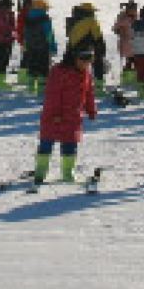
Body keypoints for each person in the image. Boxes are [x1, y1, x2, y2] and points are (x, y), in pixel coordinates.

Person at [34, 43, 97, 185]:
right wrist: (55, 113)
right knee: (46, 142)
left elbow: (89, 93)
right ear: (74, 58)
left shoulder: (86, 74)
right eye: (83, 60)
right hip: (53, 115)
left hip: (73, 115)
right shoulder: (59, 71)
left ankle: (68, 172)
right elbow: (53, 94)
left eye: (89, 61)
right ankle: (41, 171)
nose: (86, 64)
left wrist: (91, 110)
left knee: (70, 144)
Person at [19, 0, 57, 94]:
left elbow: (25, 33)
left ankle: (31, 89)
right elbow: (49, 34)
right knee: (43, 69)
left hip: (30, 47)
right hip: (43, 47)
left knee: (32, 68)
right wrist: (53, 47)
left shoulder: (28, 17)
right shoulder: (45, 19)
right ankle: (41, 90)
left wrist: (25, 46)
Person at [63, 3, 108, 82]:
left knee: (74, 69)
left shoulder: (72, 21)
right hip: (85, 49)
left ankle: (72, 85)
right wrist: (101, 50)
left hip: (72, 49)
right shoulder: (91, 21)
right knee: (97, 63)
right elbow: (98, 37)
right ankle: (99, 84)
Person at [111, 2, 138, 84]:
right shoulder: (122, 17)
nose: (134, 11)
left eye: (135, 9)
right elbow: (115, 28)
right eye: (133, 9)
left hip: (136, 43)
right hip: (126, 42)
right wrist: (119, 30)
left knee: (135, 61)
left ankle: (132, 77)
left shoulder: (136, 17)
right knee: (130, 60)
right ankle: (128, 78)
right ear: (128, 9)